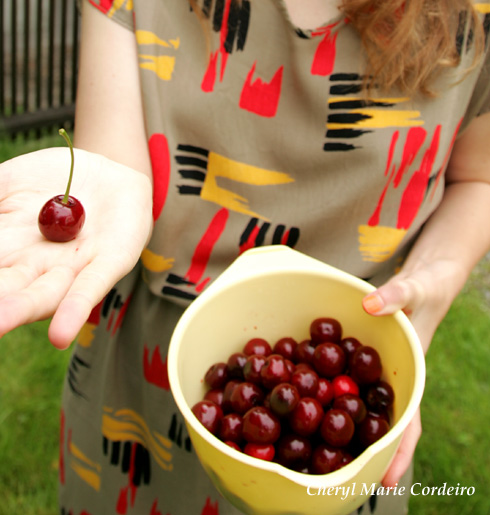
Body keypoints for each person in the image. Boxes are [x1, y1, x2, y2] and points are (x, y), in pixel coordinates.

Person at [1, 0, 490, 513]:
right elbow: (115, 161)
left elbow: (479, 176)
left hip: (362, 365)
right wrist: (102, 196)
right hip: (149, 371)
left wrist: (438, 274)